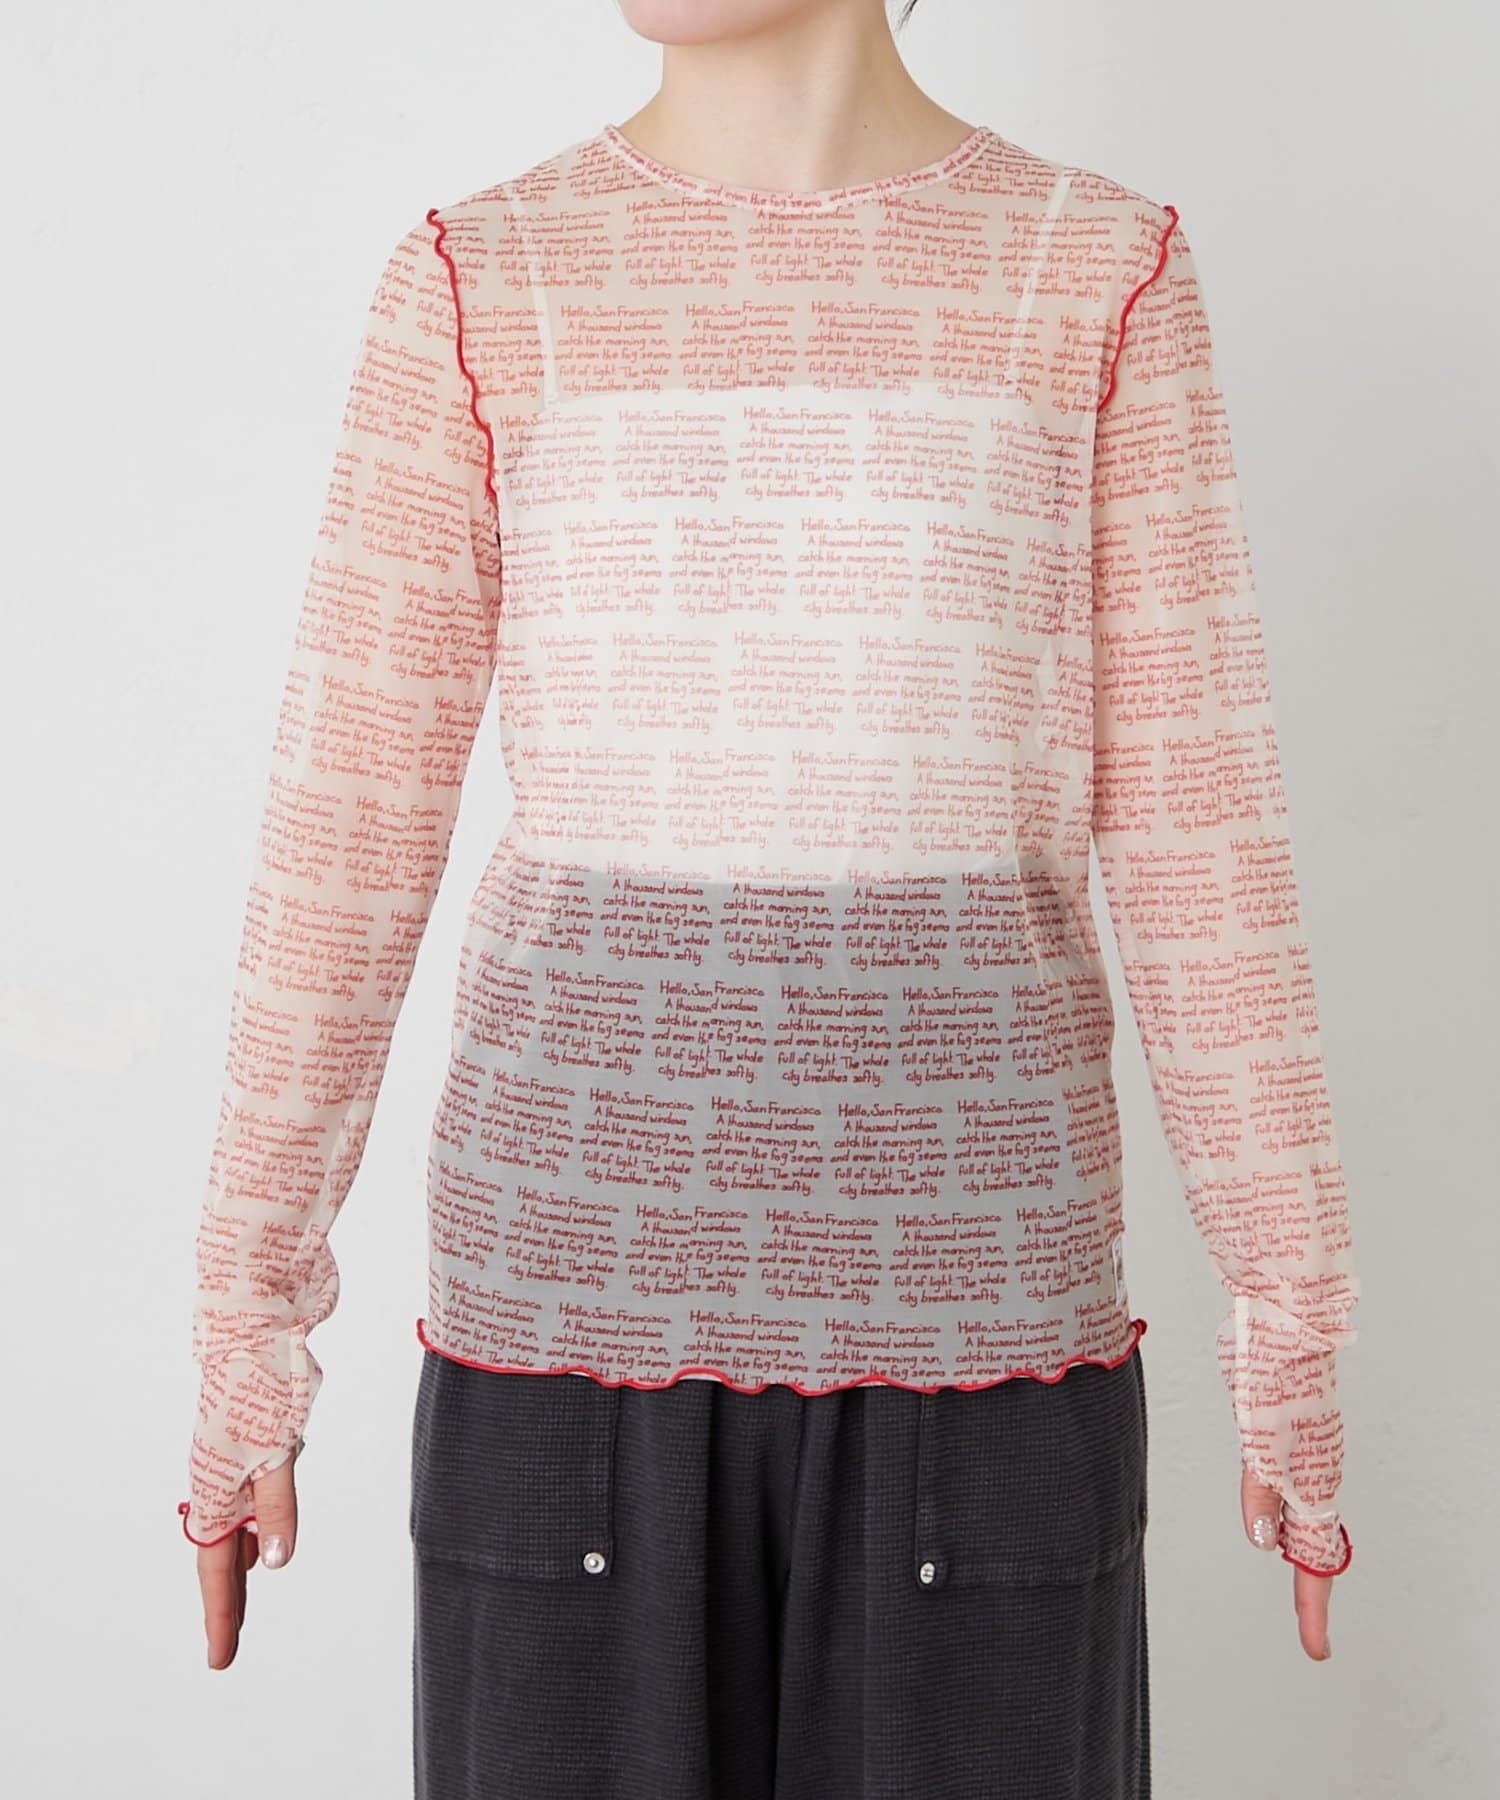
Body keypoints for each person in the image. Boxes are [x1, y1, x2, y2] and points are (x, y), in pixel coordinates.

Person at [179, 0, 1362, 1792]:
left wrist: (1291, 1328)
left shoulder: (1096, 270)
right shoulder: (483, 277)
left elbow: (1203, 836)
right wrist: (246, 1339)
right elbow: (346, 833)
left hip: (985, 1337)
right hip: (564, 1328)